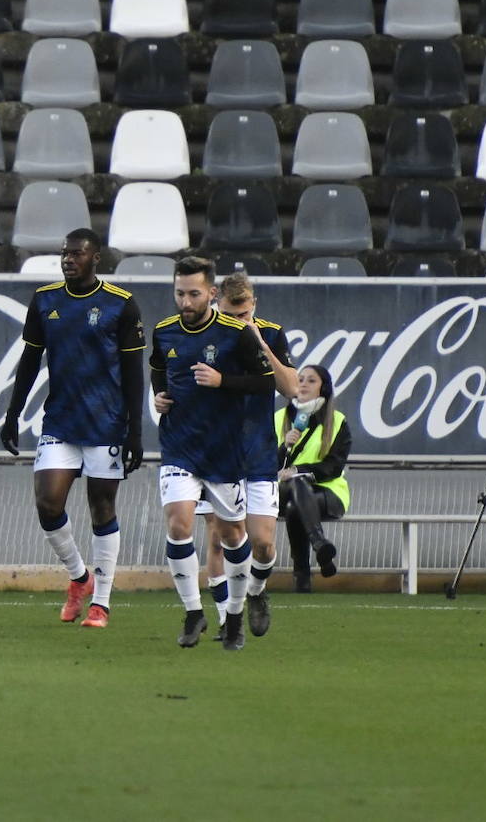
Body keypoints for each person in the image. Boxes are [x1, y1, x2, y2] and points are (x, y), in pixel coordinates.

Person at [1, 228, 145, 629]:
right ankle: (79, 577)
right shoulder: (45, 300)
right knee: (48, 502)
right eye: (64, 253)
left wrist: (135, 430)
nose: (68, 259)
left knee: (102, 509)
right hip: (61, 420)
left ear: (95, 258)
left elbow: (134, 373)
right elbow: (30, 360)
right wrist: (12, 413)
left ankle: (101, 602)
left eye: (77, 254)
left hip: (106, 424)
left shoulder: (121, 305)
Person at [150, 257, 275, 651]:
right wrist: (160, 396)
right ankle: (192, 612)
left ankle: (235, 615)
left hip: (224, 451)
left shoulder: (235, 334)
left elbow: (263, 382)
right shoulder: (164, 331)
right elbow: (158, 368)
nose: (185, 302)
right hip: (179, 446)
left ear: (212, 294)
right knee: (178, 525)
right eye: (179, 293)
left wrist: (223, 381)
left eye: (193, 294)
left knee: (233, 536)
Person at [195, 273, 297, 640]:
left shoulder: (270, 333)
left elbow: (292, 389)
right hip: (217, 452)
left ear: (254, 305)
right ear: (216, 304)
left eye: (244, 314)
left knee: (264, 542)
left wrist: (257, 343)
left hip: (257, 452)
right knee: (219, 537)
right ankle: (226, 618)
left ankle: (255, 591)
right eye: (230, 314)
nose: (237, 321)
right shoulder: (204, 333)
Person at [278, 364, 350, 591]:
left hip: (328, 493)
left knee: (294, 507)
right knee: (294, 488)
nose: (303, 384)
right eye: (300, 379)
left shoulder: (337, 420)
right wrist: (284, 447)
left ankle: (302, 577)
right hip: (280, 490)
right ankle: (320, 544)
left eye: (311, 380)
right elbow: (263, 463)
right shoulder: (279, 418)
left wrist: (299, 470)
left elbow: (335, 466)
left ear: (323, 387)